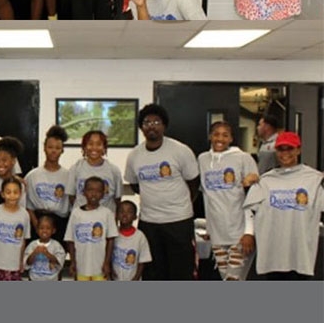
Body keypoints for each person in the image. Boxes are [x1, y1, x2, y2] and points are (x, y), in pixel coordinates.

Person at [124, 104, 200, 280]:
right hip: (149, 223)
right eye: (146, 122)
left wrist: (179, 206)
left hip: (179, 222)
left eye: (156, 122)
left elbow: (193, 183)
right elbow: (135, 185)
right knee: (153, 273)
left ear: (164, 125)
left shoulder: (180, 150)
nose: (151, 125)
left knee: (181, 272)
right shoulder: (135, 155)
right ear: (141, 127)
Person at [243, 132, 324, 279]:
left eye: (290, 149)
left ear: (298, 150)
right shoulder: (265, 180)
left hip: (301, 254)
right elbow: (249, 208)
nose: (285, 153)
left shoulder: (314, 180)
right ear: (276, 151)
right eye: (281, 149)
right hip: (273, 254)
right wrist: (249, 233)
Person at [197, 121, 259, 281]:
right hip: (217, 234)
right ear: (210, 136)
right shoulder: (203, 159)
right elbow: (207, 196)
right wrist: (209, 227)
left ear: (231, 138)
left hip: (239, 233)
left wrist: (249, 232)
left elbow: (252, 199)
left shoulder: (244, 159)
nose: (220, 139)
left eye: (225, 135)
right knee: (226, 278)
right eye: (216, 134)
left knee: (233, 279)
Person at [64, 176, 117, 281]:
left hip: (100, 267)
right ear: (83, 192)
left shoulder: (107, 213)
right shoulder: (76, 213)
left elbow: (111, 240)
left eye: (98, 191)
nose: (94, 194)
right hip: (81, 267)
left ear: (103, 193)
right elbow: (70, 240)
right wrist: (73, 262)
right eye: (90, 190)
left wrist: (107, 263)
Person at [24, 124, 71, 242]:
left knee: (56, 257)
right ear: (44, 148)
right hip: (38, 221)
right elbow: (27, 204)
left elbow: (71, 204)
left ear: (62, 150)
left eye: (57, 148)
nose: (53, 151)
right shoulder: (32, 176)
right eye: (50, 147)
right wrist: (35, 223)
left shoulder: (68, 176)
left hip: (59, 222)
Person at [0, 177, 30, 281]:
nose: (12, 195)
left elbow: (23, 241)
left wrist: (21, 261)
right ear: (3, 194)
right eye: (8, 192)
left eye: (15, 192)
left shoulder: (24, 215)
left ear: (20, 194)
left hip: (13, 264)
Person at [111, 201, 151, 281]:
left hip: (132, 278)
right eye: (121, 211)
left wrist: (136, 277)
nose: (125, 214)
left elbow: (142, 260)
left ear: (135, 217)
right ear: (117, 215)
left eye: (129, 212)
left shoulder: (140, 237)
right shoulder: (113, 234)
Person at [24, 214, 66, 281]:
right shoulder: (32, 245)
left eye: (48, 228)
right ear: (37, 230)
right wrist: (34, 253)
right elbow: (27, 262)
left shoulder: (57, 245)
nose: (44, 231)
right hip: (34, 278)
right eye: (41, 228)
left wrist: (47, 254)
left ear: (53, 230)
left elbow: (59, 262)